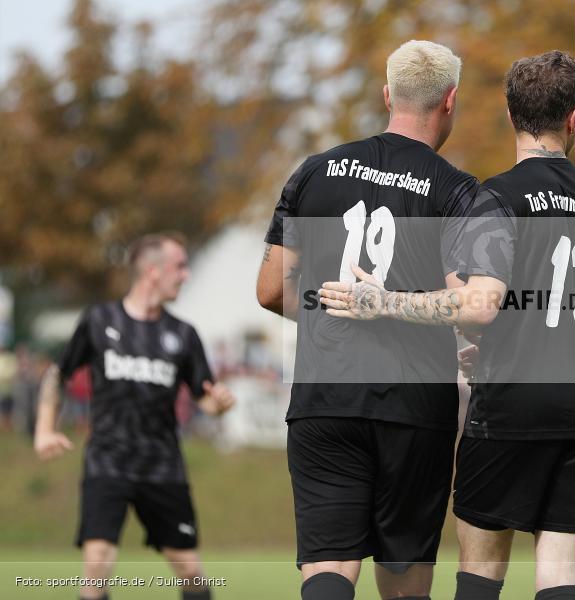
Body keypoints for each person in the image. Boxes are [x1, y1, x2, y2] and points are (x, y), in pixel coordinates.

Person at [320, 50, 575, 600]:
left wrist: (383, 302)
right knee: (560, 575)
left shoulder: (497, 198)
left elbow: (481, 304)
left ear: (510, 116)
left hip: (510, 404)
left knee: (482, 574)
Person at [256, 40, 478, 600]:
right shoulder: (456, 189)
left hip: (325, 399)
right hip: (414, 409)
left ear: (387, 95)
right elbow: (466, 304)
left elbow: (268, 290)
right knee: (406, 581)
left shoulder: (315, 171)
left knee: (329, 570)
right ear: (450, 101)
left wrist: (334, 309)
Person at [33, 232, 235, 600]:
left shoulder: (183, 334)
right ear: (153, 272)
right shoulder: (99, 320)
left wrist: (218, 404)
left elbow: (203, 398)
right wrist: (45, 430)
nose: (186, 275)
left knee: (190, 571)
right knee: (96, 567)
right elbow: (57, 375)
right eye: (180, 266)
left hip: (162, 466)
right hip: (107, 461)